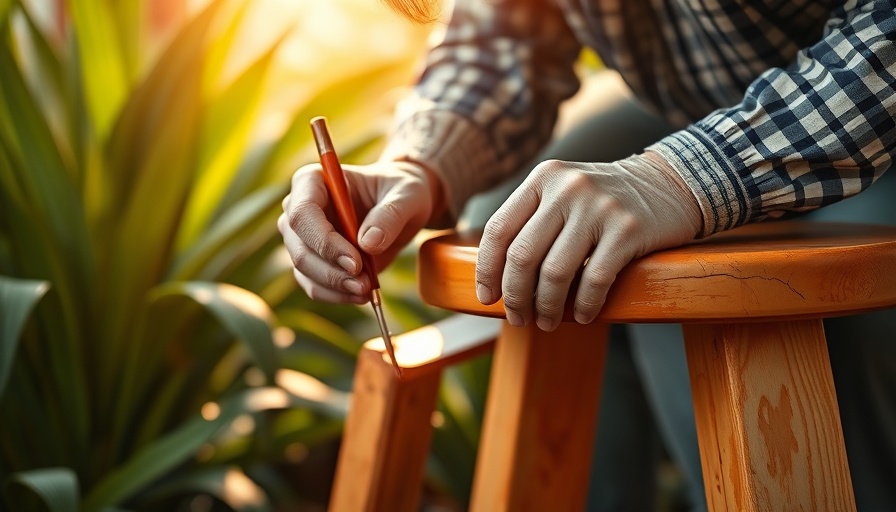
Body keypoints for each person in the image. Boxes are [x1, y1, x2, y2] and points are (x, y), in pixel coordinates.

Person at [278, 0, 896, 509]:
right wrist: (419, 165)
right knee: (517, 218)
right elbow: (505, 37)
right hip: (706, 103)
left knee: (672, 289)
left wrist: (683, 178)